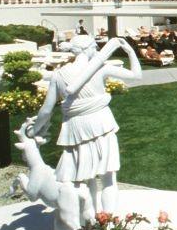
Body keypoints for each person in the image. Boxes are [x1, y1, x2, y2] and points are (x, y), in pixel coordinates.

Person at [26, 35, 142, 215]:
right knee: (108, 178)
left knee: (85, 179)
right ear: (88, 49)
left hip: (75, 128)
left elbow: (47, 110)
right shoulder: (100, 68)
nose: (96, 51)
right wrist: (130, 51)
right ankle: (108, 224)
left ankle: (89, 223)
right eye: (94, 48)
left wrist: (34, 130)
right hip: (101, 124)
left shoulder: (59, 74)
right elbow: (136, 75)